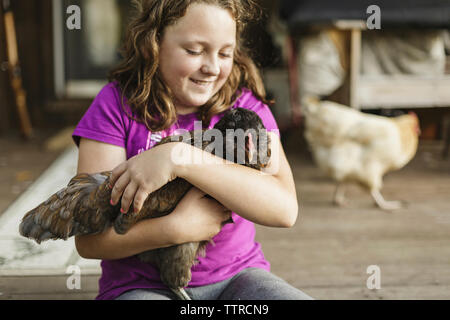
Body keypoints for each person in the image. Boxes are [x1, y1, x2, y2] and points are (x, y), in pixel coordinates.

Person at [72, 0, 312, 300]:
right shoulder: (115, 107)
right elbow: (89, 242)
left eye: (225, 53)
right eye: (195, 51)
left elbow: (284, 210)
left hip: (238, 279)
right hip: (141, 286)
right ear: (154, 42)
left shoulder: (246, 107)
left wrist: (180, 158)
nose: (212, 67)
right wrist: (175, 229)